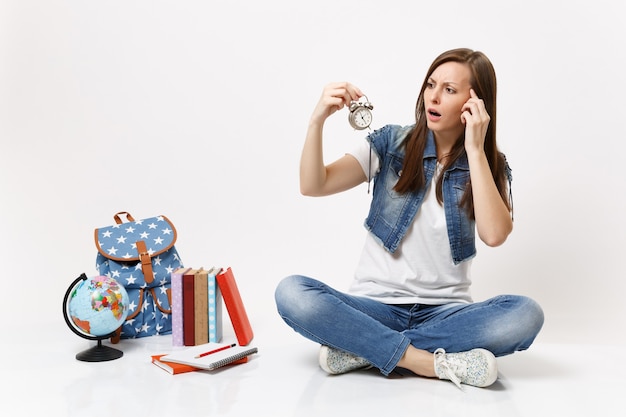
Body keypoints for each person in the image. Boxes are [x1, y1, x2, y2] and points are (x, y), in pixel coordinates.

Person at [274, 48, 544, 389]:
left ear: (475, 103)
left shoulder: (488, 164)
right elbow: (314, 185)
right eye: (431, 84)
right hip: (375, 307)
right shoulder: (390, 143)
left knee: (525, 314)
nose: (433, 95)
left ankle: (364, 348)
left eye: (449, 89)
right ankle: (426, 362)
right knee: (292, 293)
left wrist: (475, 149)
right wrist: (317, 121)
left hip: (445, 313)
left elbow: (494, 235)